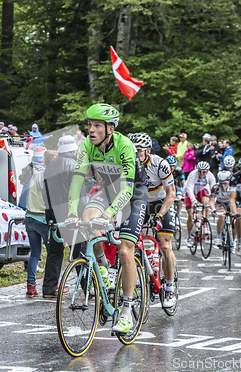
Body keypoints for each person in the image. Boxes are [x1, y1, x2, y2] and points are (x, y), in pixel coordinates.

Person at [65, 103, 147, 334]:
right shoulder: (87, 147)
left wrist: (109, 214)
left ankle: (127, 311)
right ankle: (103, 267)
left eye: (97, 126)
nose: (91, 130)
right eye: (89, 125)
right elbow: (77, 181)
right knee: (86, 219)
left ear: (110, 129)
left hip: (133, 193)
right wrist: (71, 211)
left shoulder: (124, 146)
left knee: (125, 249)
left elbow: (127, 190)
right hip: (108, 189)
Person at [130, 133, 177, 308]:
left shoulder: (160, 164)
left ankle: (170, 286)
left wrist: (159, 216)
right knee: (129, 242)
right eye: (134, 151)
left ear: (148, 151)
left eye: (140, 151)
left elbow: (171, 193)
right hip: (138, 201)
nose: (136, 154)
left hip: (160, 202)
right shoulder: (129, 162)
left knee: (164, 244)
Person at [41, 135, 88, 297]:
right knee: (79, 252)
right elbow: (80, 195)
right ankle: (87, 287)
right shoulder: (75, 165)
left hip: (54, 216)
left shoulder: (50, 166)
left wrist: (49, 216)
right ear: (74, 149)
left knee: (54, 252)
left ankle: (48, 288)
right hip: (72, 216)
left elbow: (45, 193)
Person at [19, 146, 48, 297]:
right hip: (43, 219)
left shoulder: (30, 172)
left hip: (29, 218)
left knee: (35, 254)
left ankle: (31, 287)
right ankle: (53, 285)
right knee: (52, 254)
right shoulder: (44, 174)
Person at [184, 161, 217, 248]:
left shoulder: (210, 175)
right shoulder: (192, 174)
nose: (202, 173)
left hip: (200, 191)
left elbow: (213, 187)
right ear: (197, 170)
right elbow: (189, 189)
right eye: (200, 171)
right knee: (190, 215)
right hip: (190, 193)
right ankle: (188, 237)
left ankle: (205, 224)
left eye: (204, 172)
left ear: (207, 171)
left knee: (206, 203)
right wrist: (194, 201)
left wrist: (213, 200)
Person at [210, 170, 232, 248]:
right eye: (221, 183)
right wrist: (213, 210)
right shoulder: (216, 187)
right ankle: (219, 236)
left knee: (236, 219)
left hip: (230, 202)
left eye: (225, 183)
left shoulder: (233, 186)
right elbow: (212, 201)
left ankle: (235, 240)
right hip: (220, 203)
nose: (222, 186)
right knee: (222, 216)